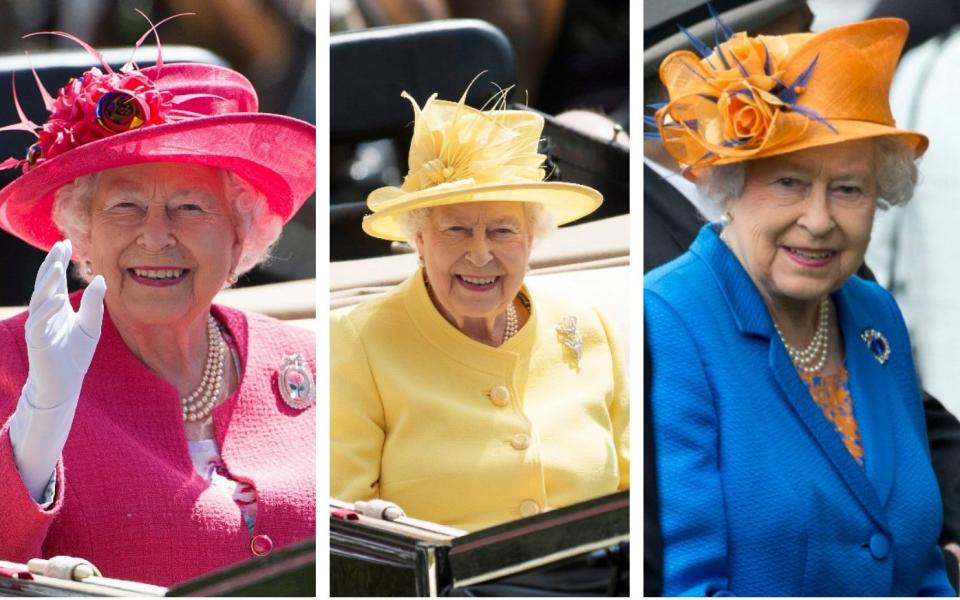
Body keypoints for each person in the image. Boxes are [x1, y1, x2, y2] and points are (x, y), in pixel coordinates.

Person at [645, 16, 954, 596]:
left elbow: (920, 568)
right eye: (788, 182)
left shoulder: (874, 313)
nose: (818, 220)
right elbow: (689, 586)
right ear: (729, 183)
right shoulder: (665, 321)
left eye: (849, 189)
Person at [0, 21, 316, 587]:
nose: (155, 236)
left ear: (240, 234)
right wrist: (31, 437)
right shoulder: (14, 367)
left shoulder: (307, 360)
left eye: (190, 208)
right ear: (83, 233)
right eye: (124, 207)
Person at [330, 86, 629, 532]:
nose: (481, 254)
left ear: (531, 241)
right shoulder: (359, 344)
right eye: (456, 229)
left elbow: (638, 497)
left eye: (503, 231)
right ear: (419, 240)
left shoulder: (587, 327)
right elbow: (349, 531)